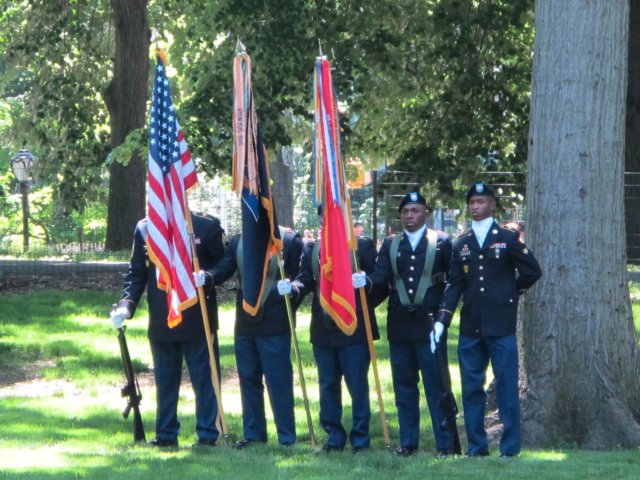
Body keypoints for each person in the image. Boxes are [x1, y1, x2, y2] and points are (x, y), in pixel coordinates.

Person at [433, 182, 541, 458]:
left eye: (481, 202)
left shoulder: (505, 238)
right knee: (471, 388)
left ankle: (510, 448)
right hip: (471, 325)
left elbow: (532, 270)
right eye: (472, 203)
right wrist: (443, 317)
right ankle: (476, 447)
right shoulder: (462, 243)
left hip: (501, 325)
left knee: (506, 387)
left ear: (492, 205)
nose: (475, 207)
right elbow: (455, 284)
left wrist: (513, 291)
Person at [110, 212, 227, 448]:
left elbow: (226, 262)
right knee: (165, 381)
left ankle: (207, 434)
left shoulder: (205, 227)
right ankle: (166, 434)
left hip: (197, 318)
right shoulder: (145, 228)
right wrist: (125, 306)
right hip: (163, 319)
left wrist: (209, 276)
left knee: (204, 380)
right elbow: (136, 273)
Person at [360, 192, 455, 457]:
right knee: (404, 386)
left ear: (426, 212)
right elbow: (381, 277)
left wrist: (444, 318)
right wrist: (366, 283)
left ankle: (445, 443)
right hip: (400, 325)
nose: (409, 216)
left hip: (430, 323)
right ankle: (408, 441)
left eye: (415, 210)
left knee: (436, 384)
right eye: (405, 212)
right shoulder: (391, 244)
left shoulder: (442, 242)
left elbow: (453, 282)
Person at [283, 231, 386, 453]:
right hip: (324, 328)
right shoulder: (313, 249)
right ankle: (334, 437)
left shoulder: (361, 246)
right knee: (327, 384)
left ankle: (360, 438)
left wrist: (366, 283)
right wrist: (293, 287)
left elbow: (381, 281)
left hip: (354, 327)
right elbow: (307, 279)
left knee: (357, 385)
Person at [209, 227, 303, 448]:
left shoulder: (288, 239)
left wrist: (292, 287)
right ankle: (253, 434)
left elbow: (303, 276)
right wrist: (208, 276)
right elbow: (224, 269)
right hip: (245, 322)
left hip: (275, 321)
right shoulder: (238, 241)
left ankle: (286, 437)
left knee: (278, 380)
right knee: (248, 378)